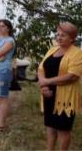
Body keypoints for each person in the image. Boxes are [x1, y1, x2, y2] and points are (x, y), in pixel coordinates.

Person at [38, 22, 82, 151]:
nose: (59, 37)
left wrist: (47, 82)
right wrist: (43, 85)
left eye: (63, 35)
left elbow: (72, 76)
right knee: (50, 126)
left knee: (63, 129)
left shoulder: (77, 53)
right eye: (57, 34)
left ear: (72, 38)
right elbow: (41, 68)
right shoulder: (53, 49)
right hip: (48, 93)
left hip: (66, 98)